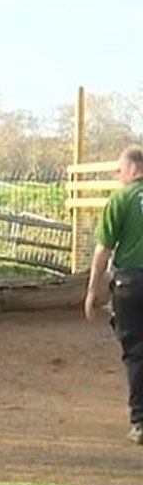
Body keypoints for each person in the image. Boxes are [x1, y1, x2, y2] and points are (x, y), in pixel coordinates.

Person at [84, 144, 143, 445]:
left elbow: (103, 250)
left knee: (136, 352)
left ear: (133, 169)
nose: (119, 176)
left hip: (131, 284)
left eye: (120, 170)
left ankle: (140, 421)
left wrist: (92, 289)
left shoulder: (120, 199)